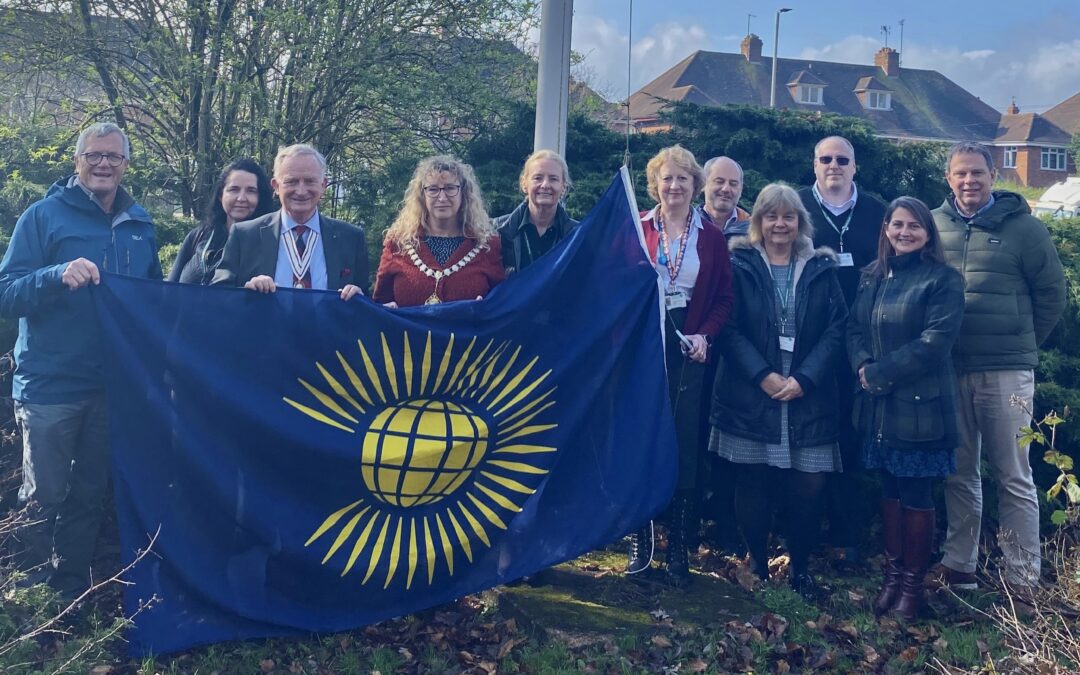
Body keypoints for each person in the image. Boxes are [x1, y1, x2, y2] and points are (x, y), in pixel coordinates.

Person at [0, 122, 163, 599]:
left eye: (113, 156)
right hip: (50, 384)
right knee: (43, 496)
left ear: (126, 164)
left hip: (112, 387)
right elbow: (6, 293)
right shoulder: (43, 216)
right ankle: (27, 597)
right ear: (77, 161)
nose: (103, 164)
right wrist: (54, 275)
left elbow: (152, 303)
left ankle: (68, 592)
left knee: (89, 496)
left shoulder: (140, 225)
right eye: (94, 155)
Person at [931, 142, 1066, 591]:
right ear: (948, 179)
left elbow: (1052, 294)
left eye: (977, 172)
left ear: (993, 175)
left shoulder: (1025, 229)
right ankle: (959, 565)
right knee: (958, 471)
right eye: (960, 173)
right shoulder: (934, 225)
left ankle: (1023, 580)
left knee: (1013, 475)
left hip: (1007, 371)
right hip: (950, 369)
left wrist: (1020, 343)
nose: (969, 181)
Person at [709, 183, 846, 599]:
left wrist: (805, 378)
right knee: (753, 479)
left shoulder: (821, 266)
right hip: (752, 390)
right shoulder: (738, 264)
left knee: (810, 483)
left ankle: (801, 568)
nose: (780, 224)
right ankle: (758, 564)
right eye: (771, 216)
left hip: (808, 392)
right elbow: (727, 328)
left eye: (788, 216)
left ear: (800, 222)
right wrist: (762, 375)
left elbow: (838, 328)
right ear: (758, 221)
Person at [848, 197, 965, 619]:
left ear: (928, 234)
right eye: (897, 224)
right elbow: (853, 328)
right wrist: (862, 364)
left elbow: (935, 343)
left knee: (916, 492)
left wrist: (879, 374)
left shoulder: (943, 280)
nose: (904, 232)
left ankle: (913, 589)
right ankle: (893, 579)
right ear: (886, 229)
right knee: (890, 490)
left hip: (921, 407)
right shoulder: (872, 276)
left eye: (914, 226)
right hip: (879, 409)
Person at [627, 145, 733, 586]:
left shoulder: (711, 236)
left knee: (684, 442)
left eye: (682, 179)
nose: (674, 186)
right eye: (666, 178)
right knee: (643, 437)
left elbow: (724, 297)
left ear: (695, 185)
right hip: (644, 347)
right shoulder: (638, 228)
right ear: (655, 184)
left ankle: (679, 546)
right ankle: (641, 542)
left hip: (689, 345)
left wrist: (705, 335)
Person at [798, 135, 887, 571]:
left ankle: (847, 536)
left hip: (862, 344)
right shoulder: (796, 206)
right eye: (825, 159)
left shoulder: (878, 212)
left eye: (842, 159)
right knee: (809, 436)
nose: (834, 165)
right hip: (807, 343)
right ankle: (801, 531)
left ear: (855, 166)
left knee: (852, 439)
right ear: (814, 165)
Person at [211, 144, 368, 300]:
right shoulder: (245, 235)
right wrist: (246, 292)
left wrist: (359, 298)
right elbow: (218, 297)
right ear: (276, 186)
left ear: (323, 185)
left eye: (310, 181)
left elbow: (366, 302)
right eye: (291, 181)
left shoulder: (351, 238)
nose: (301, 191)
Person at [373, 156, 504, 306]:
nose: (442, 198)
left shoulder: (486, 245)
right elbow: (378, 305)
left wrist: (486, 309)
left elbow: (500, 305)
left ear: (463, 192)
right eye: (433, 189)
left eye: (450, 188)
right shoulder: (398, 243)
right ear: (422, 195)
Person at [169, 158, 274, 284]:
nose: (241, 198)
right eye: (234, 189)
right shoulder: (198, 236)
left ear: (260, 197)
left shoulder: (270, 243)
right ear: (220, 195)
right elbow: (169, 289)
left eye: (251, 191)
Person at [494, 150, 578, 275]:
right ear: (524, 184)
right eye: (538, 178)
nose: (545, 185)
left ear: (564, 187)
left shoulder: (577, 235)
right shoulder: (497, 231)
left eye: (553, 179)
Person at [700, 156, 750, 240]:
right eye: (719, 182)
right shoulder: (687, 226)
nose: (726, 189)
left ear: (741, 189)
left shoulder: (755, 232)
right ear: (703, 184)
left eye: (733, 184)